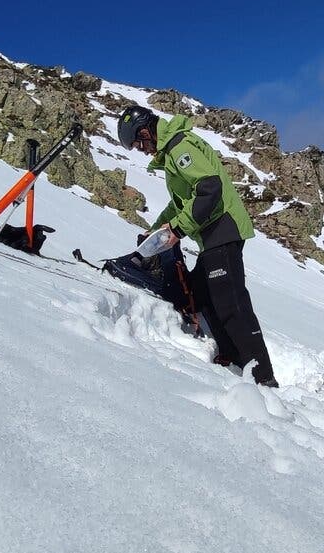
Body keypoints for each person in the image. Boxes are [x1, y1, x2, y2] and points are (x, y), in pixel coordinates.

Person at [117, 105, 278, 387]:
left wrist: (178, 229)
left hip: (222, 231)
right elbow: (180, 202)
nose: (140, 150)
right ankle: (231, 355)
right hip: (212, 236)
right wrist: (157, 229)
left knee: (232, 304)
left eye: (138, 144)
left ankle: (263, 378)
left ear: (145, 131)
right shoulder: (172, 151)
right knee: (203, 296)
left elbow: (209, 189)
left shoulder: (180, 148)